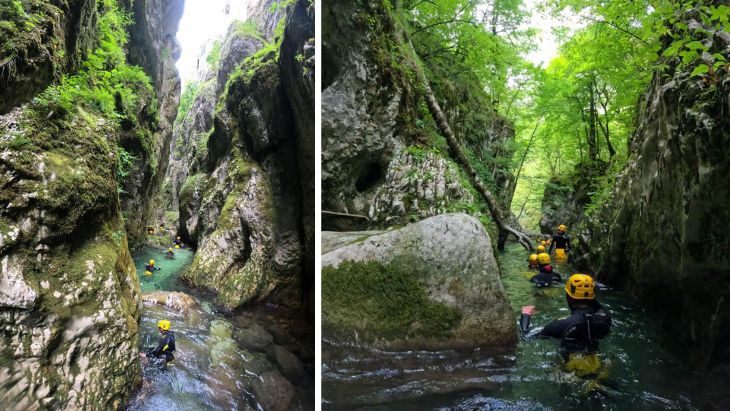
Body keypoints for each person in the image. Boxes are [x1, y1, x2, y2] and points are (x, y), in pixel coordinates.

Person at [519, 274, 612, 361]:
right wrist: (588, 292)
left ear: (568, 297)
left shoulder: (558, 325)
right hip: (598, 365)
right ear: (593, 296)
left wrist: (526, 315)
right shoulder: (605, 319)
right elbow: (598, 307)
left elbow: (526, 335)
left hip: (569, 371)